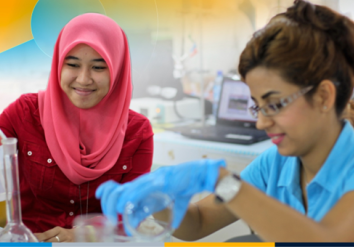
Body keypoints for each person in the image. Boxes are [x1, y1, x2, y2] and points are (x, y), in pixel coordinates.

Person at [96, 0, 354, 242]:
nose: (261, 123)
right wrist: (160, 198)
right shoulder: (276, 163)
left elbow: (326, 240)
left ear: (323, 96)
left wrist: (223, 181)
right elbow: (199, 222)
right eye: (257, 107)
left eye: (274, 104)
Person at [0, 13, 154, 242]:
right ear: (58, 64)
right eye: (72, 64)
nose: (83, 79)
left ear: (118, 70)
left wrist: (83, 235)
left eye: (98, 68)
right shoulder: (23, 114)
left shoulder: (138, 132)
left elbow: (132, 212)